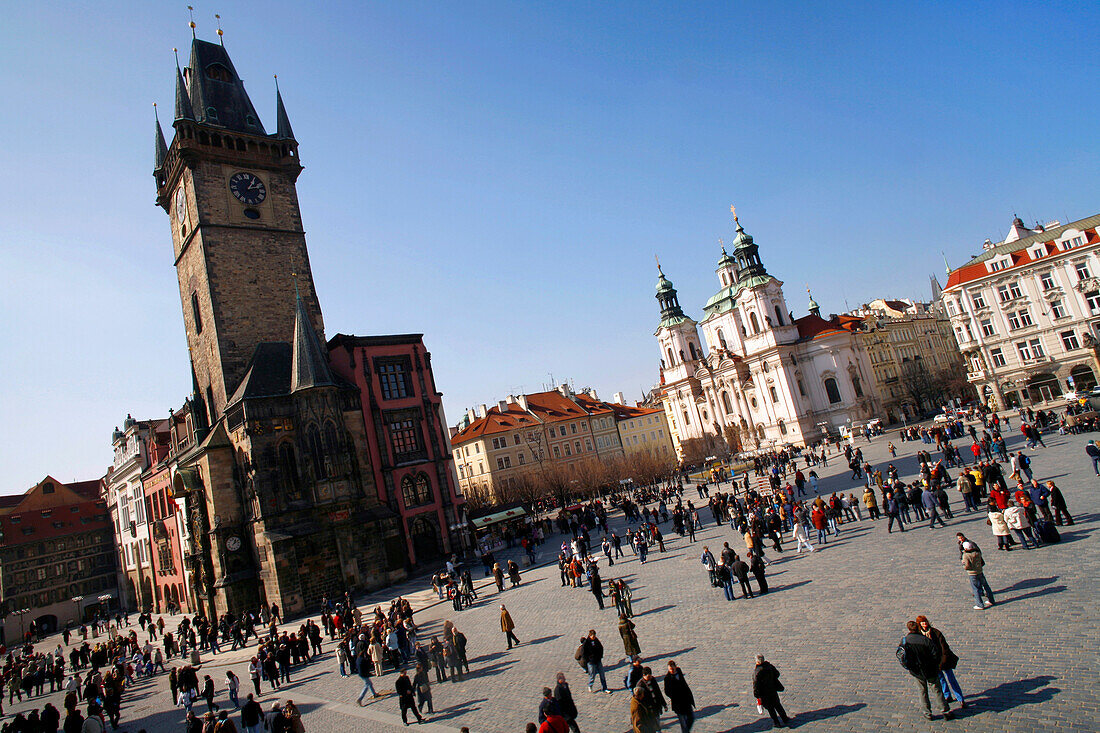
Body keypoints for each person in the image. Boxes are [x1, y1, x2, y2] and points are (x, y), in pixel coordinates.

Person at [900, 620, 955, 720]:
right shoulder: (925, 640)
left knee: (922, 692)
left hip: (916, 671)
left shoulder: (905, 640)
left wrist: (910, 667)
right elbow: (936, 654)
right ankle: (945, 711)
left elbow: (901, 656)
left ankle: (927, 713)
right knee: (937, 690)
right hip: (930, 670)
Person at [915, 615, 966, 708]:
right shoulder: (920, 635)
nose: (925, 624)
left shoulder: (935, 632)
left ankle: (960, 698)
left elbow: (944, 648)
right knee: (941, 680)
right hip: (934, 662)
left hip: (944, 660)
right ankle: (947, 696)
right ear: (920, 624)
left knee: (952, 679)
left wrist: (943, 661)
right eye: (923, 623)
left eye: (926, 622)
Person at [752, 655, 790, 728]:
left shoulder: (757, 672)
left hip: (764, 694)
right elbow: (777, 674)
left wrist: (757, 695)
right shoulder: (769, 666)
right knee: (778, 705)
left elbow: (756, 685)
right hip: (772, 690)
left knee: (770, 709)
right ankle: (785, 718)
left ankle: (776, 722)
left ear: (757, 662)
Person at [663, 660, 696, 732]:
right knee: (683, 724)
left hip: (686, 700)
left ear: (675, 667)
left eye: (672, 669)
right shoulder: (667, 678)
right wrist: (674, 695)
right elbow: (666, 691)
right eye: (669, 669)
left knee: (691, 718)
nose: (671, 671)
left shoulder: (679, 671)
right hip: (678, 704)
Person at [961, 541, 995, 610]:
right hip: (980, 571)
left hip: (972, 573)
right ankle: (991, 600)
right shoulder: (977, 552)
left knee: (975, 588)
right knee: (986, 586)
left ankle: (980, 604)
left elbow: (967, 565)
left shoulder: (966, 555)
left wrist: (964, 566)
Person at [581, 630, 612, 694]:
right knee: (592, 674)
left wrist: (600, 656)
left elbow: (601, 647)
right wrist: (589, 659)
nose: (594, 637)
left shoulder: (596, 640)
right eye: (593, 636)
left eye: (595, 636)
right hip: (591, 662)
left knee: (602, 674)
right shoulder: (586, 643)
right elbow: (584, 654)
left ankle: (604, 688)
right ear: (590, 635)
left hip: (598, 660)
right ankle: (590, 685)